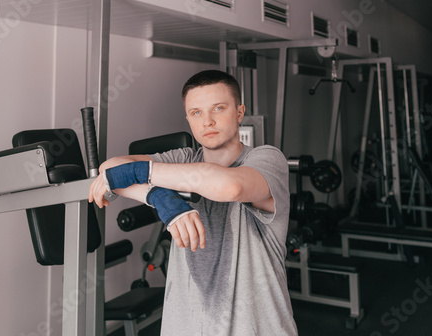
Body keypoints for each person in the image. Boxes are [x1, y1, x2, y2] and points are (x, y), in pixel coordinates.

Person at [89, 69, 298, 335]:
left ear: (239, 112)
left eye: (218, 108)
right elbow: (111, 169)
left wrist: (143, 173)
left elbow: (229, 186)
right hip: (186, 326)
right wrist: (160, 197)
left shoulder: (267, 159)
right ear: (188, 119)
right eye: (197, 113)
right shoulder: (184, 158)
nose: (207, 121)